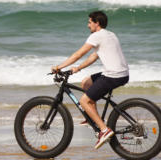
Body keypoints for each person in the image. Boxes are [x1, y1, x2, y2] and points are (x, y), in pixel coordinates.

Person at [51, 11, 129, 149]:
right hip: (121, 73)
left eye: (89, 22)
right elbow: (94, 56)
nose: (88, 25)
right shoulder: (110, 34)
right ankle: (92, 118)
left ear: (96, 23)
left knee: (84, 101)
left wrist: (59, 67)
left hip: (113, 75)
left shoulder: (96, 36)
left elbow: (78, 54)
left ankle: (104, 130)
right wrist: (78, 68)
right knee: (86, 82)